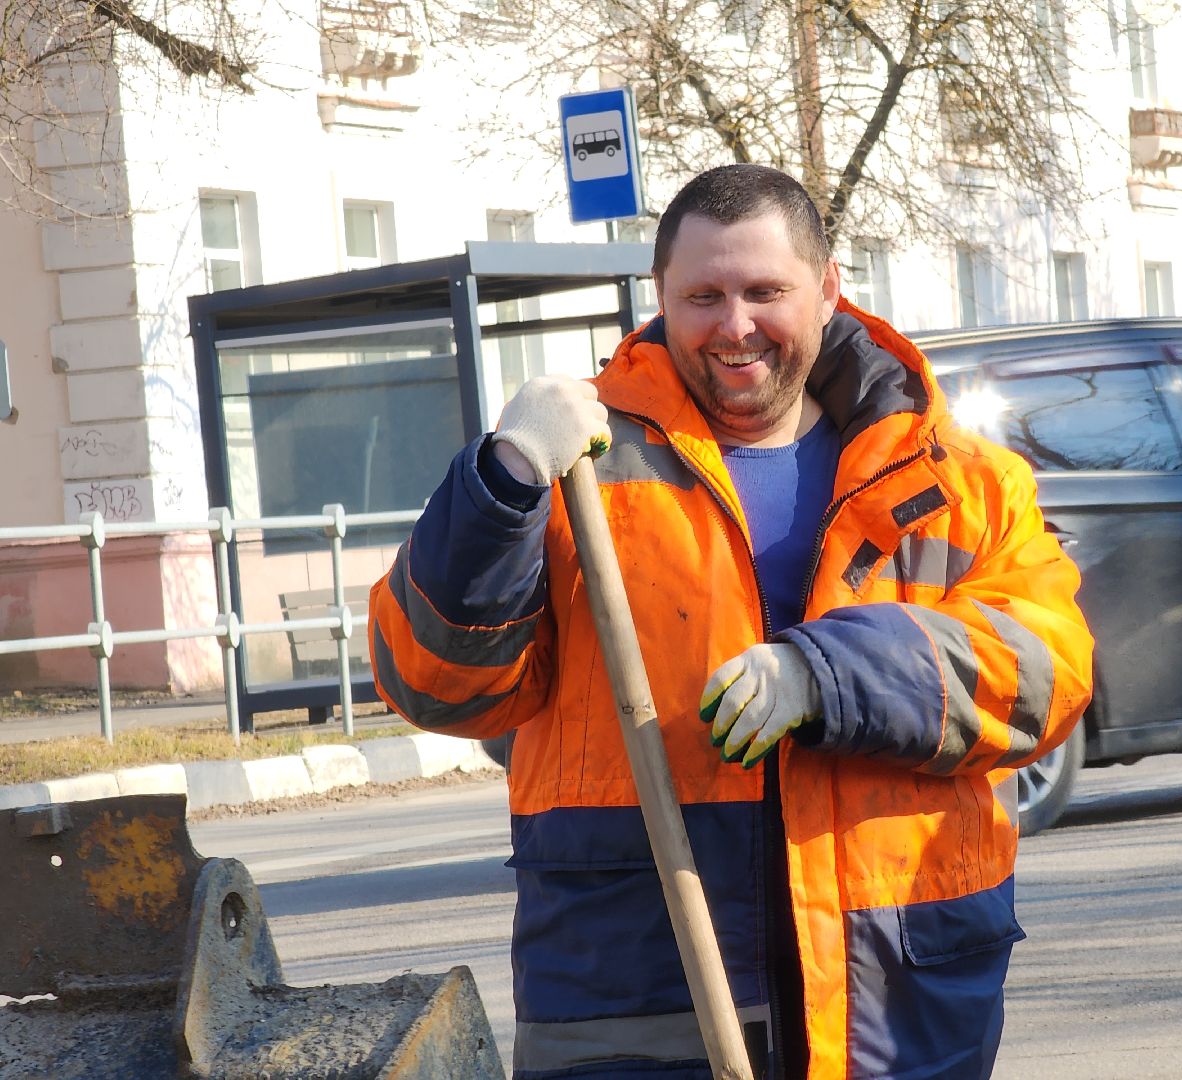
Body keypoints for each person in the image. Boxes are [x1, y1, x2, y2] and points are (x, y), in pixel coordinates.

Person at [370, 163, 1093, 1080]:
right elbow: (429, 684)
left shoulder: (956, 481)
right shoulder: (578, 478)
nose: (735, 324)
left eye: (765, 291)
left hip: (896, 998)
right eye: (703, 295)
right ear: (660, 298)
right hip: (639, 999)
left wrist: (826, 675)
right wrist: (502, 483)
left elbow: (1045, 673)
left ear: (830, 288)